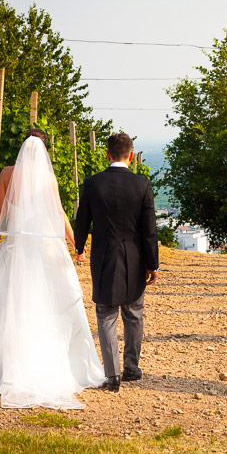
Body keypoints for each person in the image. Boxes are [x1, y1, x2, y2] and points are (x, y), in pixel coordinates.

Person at [0, 129, 106, 408]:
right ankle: (50, 358)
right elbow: (60, 213)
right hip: (46, 250)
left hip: (15, 249)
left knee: (8, 305)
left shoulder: (6, 174)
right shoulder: (48, 177)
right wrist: (76, 244)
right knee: (50, 303)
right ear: (45, 151)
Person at [73, 132, 158, 392]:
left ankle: (112, 376)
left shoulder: (91, 183)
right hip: (135, 257)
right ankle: (131, 367)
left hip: (104, 256)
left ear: (107, 155)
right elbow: (149, 230)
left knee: (106, 313)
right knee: (134, 314)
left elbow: (82, 221)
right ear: (131, 156)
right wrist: (152, 264)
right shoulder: (142, 185)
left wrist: (79, 248)